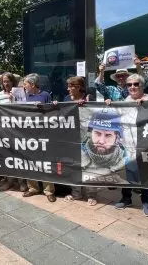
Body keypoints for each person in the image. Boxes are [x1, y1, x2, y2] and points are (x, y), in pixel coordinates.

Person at [110, 73, 148, 217]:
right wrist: (108, 104)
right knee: (127, 173)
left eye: (136, 84)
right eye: (129, 85)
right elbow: (115, 117)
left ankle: (146, 202)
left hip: (146, 144)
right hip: (127, 144)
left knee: (146, 174)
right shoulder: (125, 101)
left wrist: (147, 106)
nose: (132, 87)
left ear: (142, 85)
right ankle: (126, 198)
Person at [55, 77, 98, 206]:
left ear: (79, 86)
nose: (68, 89)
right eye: (68, 86)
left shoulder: (89, 98)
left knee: (89, 166)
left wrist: (85, 106)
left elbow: (96, 115)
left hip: (87, 138)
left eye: (71, 86)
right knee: (74, 165)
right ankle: (76, 193)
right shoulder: (67, 100)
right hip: (72, 138)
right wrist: (56, 107)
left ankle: (91, 194)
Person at [22, 73, 57, 202]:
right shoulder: (24, 96)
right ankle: (33, 188)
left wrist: (47, 107)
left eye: (25, 84)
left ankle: (48, 190)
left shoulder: (45, 95)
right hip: (28, 134)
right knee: (30, 161)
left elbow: (52, 113)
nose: (24, 86)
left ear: (32, 84)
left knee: (46, 162)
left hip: (43, 133)